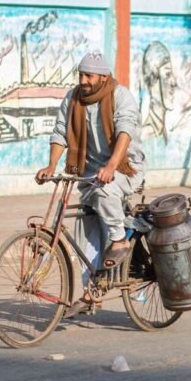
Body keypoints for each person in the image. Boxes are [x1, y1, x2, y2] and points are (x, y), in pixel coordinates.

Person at [37, 50, 145, 268]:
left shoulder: (120, 96)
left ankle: (120, 240)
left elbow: (125, 131)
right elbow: (60, 132)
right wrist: (51, 166)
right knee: (85, 235)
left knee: (105, 192)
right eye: (81, 75)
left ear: (103, 77)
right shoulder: (73, 98)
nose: (83, 81)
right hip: (89, 173)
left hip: (124, 169)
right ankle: (91, 285)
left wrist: (111, 166)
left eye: (89, 76)